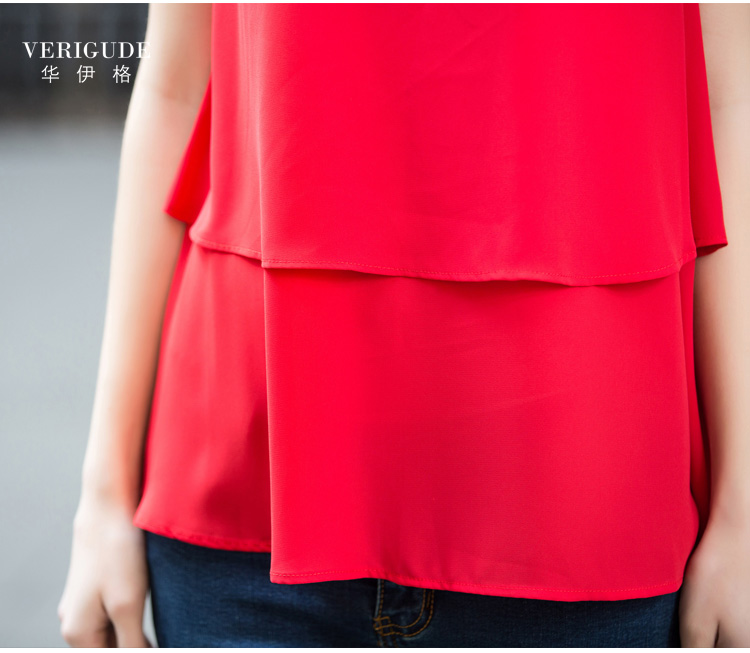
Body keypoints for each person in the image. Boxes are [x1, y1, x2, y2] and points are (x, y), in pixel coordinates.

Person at [57, 3, 750, 647]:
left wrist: (741, 513)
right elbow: (174, 90)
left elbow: (725, 101)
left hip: (583, 519)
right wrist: (105, 491)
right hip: (244, 509)